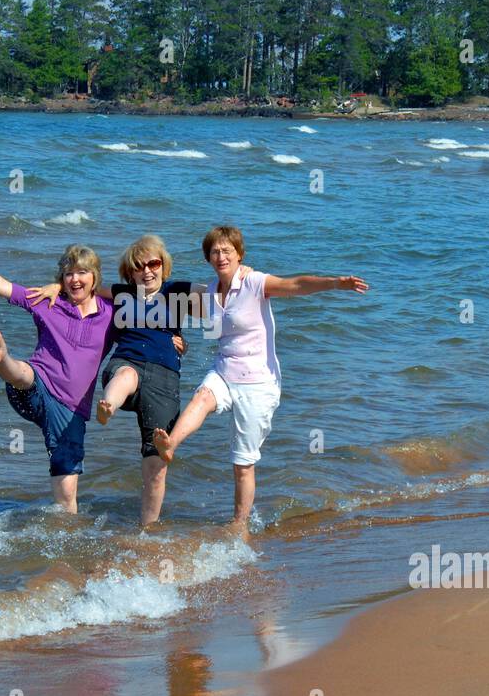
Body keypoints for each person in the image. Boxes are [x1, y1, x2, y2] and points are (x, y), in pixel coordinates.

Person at [151, 225, 368, 537]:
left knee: (242, 464)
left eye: (227, 250)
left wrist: (336, 283)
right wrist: (172, 336)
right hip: (224, 370)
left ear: (239, 255)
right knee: (201, 397)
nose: (220, 255)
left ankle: (239, 526)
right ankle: (170, 443)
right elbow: (158, 308)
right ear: (208, 258)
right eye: (215, 251)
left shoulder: (254, 283)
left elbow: (295, 284)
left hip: (258, 384)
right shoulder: (208, 292)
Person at [27, 235, 221, 526]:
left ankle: (148, 529)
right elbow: (82, 288)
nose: (147, 271)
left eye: (153, 263)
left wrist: (238, 276)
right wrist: (57, 285)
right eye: (138, 266)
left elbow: (217, 294)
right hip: (126, 363)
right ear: (129, 273)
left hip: (164, 378)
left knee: (157, 462)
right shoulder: (121, 295)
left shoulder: (176, 292)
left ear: (163, 265)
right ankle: (108, 405)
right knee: (126, 376)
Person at [0, 240, 113, 512]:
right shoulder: (47, 302)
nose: (75, 279)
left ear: (95, 276)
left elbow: (146, 306)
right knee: (25, 374)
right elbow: (2, 285)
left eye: (82, 272)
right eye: (68, 273)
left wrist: (178, 340)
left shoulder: (111, 312)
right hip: (37, 386)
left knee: (67, 494)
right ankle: (3, 359)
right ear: (61, 277)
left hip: (72, 410)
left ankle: (68, 537)